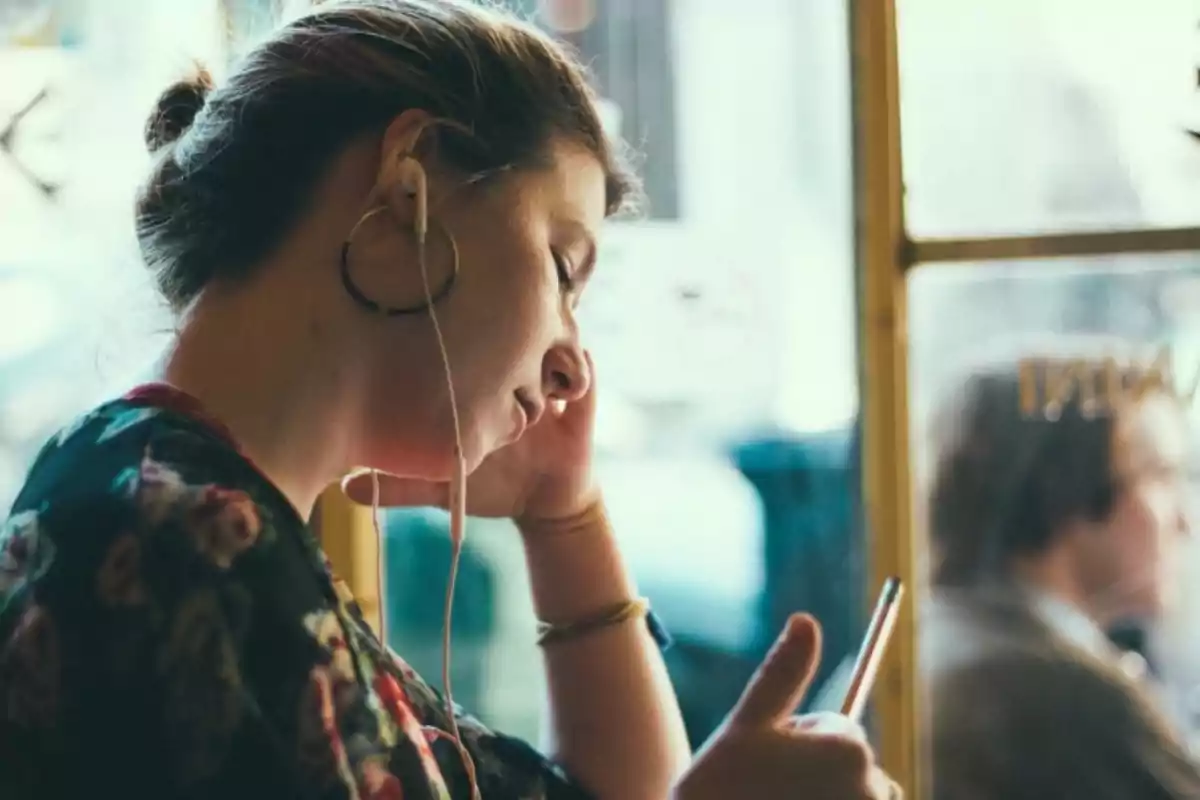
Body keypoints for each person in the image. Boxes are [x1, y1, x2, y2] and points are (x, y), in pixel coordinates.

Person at [0, 2, 900, 798]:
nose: (573, 367)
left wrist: (565, 515)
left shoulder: (172, 499)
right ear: (409, 184)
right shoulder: (191, 542)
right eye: (561, 265)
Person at [921, 344, 1200, 800]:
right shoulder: (1053, 692)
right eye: (1160, 475)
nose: (1185, 521)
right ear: (1069, 488)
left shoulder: (937, 641)